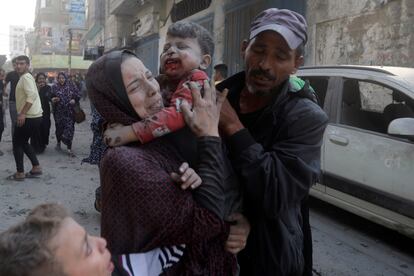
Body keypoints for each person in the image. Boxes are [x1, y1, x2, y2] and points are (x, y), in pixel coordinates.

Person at [86, 49, 245, 275]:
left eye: (149, 77)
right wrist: (209, 136)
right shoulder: (123, 161)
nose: (152, 89)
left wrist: (197, 182)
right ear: (113, 101)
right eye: (134, 88)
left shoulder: (165, 134)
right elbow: (207, 220)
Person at [215, 8, 329, 275]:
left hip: (268, 253)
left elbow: (276, 192)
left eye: (280, 56)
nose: (265, 64)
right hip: (210, 242)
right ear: (244, 48)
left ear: (296, 63)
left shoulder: (306, 117)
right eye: (259, 50)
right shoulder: (217, 97)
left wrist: (232, 126)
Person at [102, 21, 212, 147]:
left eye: (181, 47)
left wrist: (128, 133)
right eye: (166, 48)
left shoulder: (197, 80)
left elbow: (178, 113)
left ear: (204, 61)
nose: (170, 50)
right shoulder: (162, 80)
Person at [0, 203, 187, 276]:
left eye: (88, 235)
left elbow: (171, 251)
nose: (102, 242)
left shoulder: (120, 269)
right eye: (87, 249)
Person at [6, 55, 43, 181]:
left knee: (17, 143)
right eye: (16, 64)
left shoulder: (26, 77)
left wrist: (22, 114)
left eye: (21, 63)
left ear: (27, 65)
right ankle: (36, 167)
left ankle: (20, 173)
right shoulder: (26, 77)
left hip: (29, 116)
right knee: (22, 141)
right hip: (34, 116)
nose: (18, 66)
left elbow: (31, 96)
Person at [51, 72, 80, 156]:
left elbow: (78, 95)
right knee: (59, 128)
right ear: (57, 78)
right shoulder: (54, 87)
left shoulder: (72, 85)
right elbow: (50, 96)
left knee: (70, 128)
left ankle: (69, 148)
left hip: (70, 112)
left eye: (63, 78)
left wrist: (74, 99)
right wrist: (53, 99)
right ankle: (59, 142)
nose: (61, 79)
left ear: (66, 78)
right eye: (59, 78)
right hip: (59, 112)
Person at [30, 72, 52, 153]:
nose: (41, 80)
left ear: (45, 79)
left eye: (43, 78)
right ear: (37, 79)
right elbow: (31, 97)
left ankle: (43, 145)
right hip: (35, 111)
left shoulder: (48, 87)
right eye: (40, 79)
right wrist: (38, 89)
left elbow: (49, 96)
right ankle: (35, 147)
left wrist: (52, 99)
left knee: (45, 128)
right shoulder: (33, 87)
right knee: (36, 129)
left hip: (45, 111)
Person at [4, 58, 19, 136]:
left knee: (24, 122)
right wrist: (4, 92)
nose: (16, 66)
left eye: (17, 64)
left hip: (24, 101)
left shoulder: (26, 74)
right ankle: (15, 144)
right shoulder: (10, 74)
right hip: (13, 101)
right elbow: (4, 83)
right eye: (14, 65)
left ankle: (23, 143)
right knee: (14, 122)